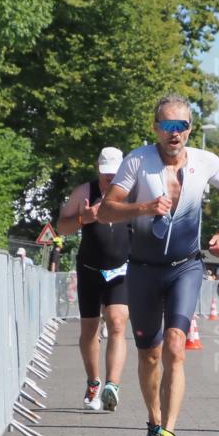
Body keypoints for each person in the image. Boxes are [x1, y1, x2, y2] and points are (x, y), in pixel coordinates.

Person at [99, 94, 219, 436]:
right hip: (143, 269)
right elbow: (106, 210)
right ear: (155, 128)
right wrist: (142, 208)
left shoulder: (206, 162)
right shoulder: (137, 162)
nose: (175, 133)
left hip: (185, 268)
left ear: (190, 128)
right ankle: (153, 423)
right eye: (167, 126)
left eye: (182, 126)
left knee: (176, 345)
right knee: (150, 355)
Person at [57, 147, 131, 412]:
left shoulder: (131, 193)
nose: (109, 180)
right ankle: (93, 382)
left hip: (120, 270)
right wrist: (82, 219)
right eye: (105, 175)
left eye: (114, 175)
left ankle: (112, 385)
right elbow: (61, 227)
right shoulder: (84, 193)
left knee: (117, 323)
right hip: (89, 269)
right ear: (98, 169)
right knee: (89, 330)